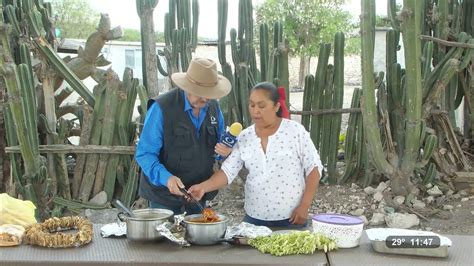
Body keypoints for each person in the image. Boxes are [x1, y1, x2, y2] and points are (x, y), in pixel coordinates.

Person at [188, 82, 323, 227]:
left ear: (276, 106)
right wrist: (202, 187)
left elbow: (314, 168)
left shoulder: (295, 131)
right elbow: (227, 172)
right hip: (254, 220)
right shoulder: (245, 136)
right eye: (252, 105)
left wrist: (304, 206)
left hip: (292, 218)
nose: (255, 111)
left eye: (262, 106)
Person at [135, 58, 232, 215]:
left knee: (197, 238)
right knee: (166, 238)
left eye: (209, 94)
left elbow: (218, 150)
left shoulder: (214, 108)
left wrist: (225, 152)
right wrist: (167, 178)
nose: (205, 99)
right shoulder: (161, 108)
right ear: (187, 87)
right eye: (200, 93)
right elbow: (145, 154)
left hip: (199, 193)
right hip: (164, 196)